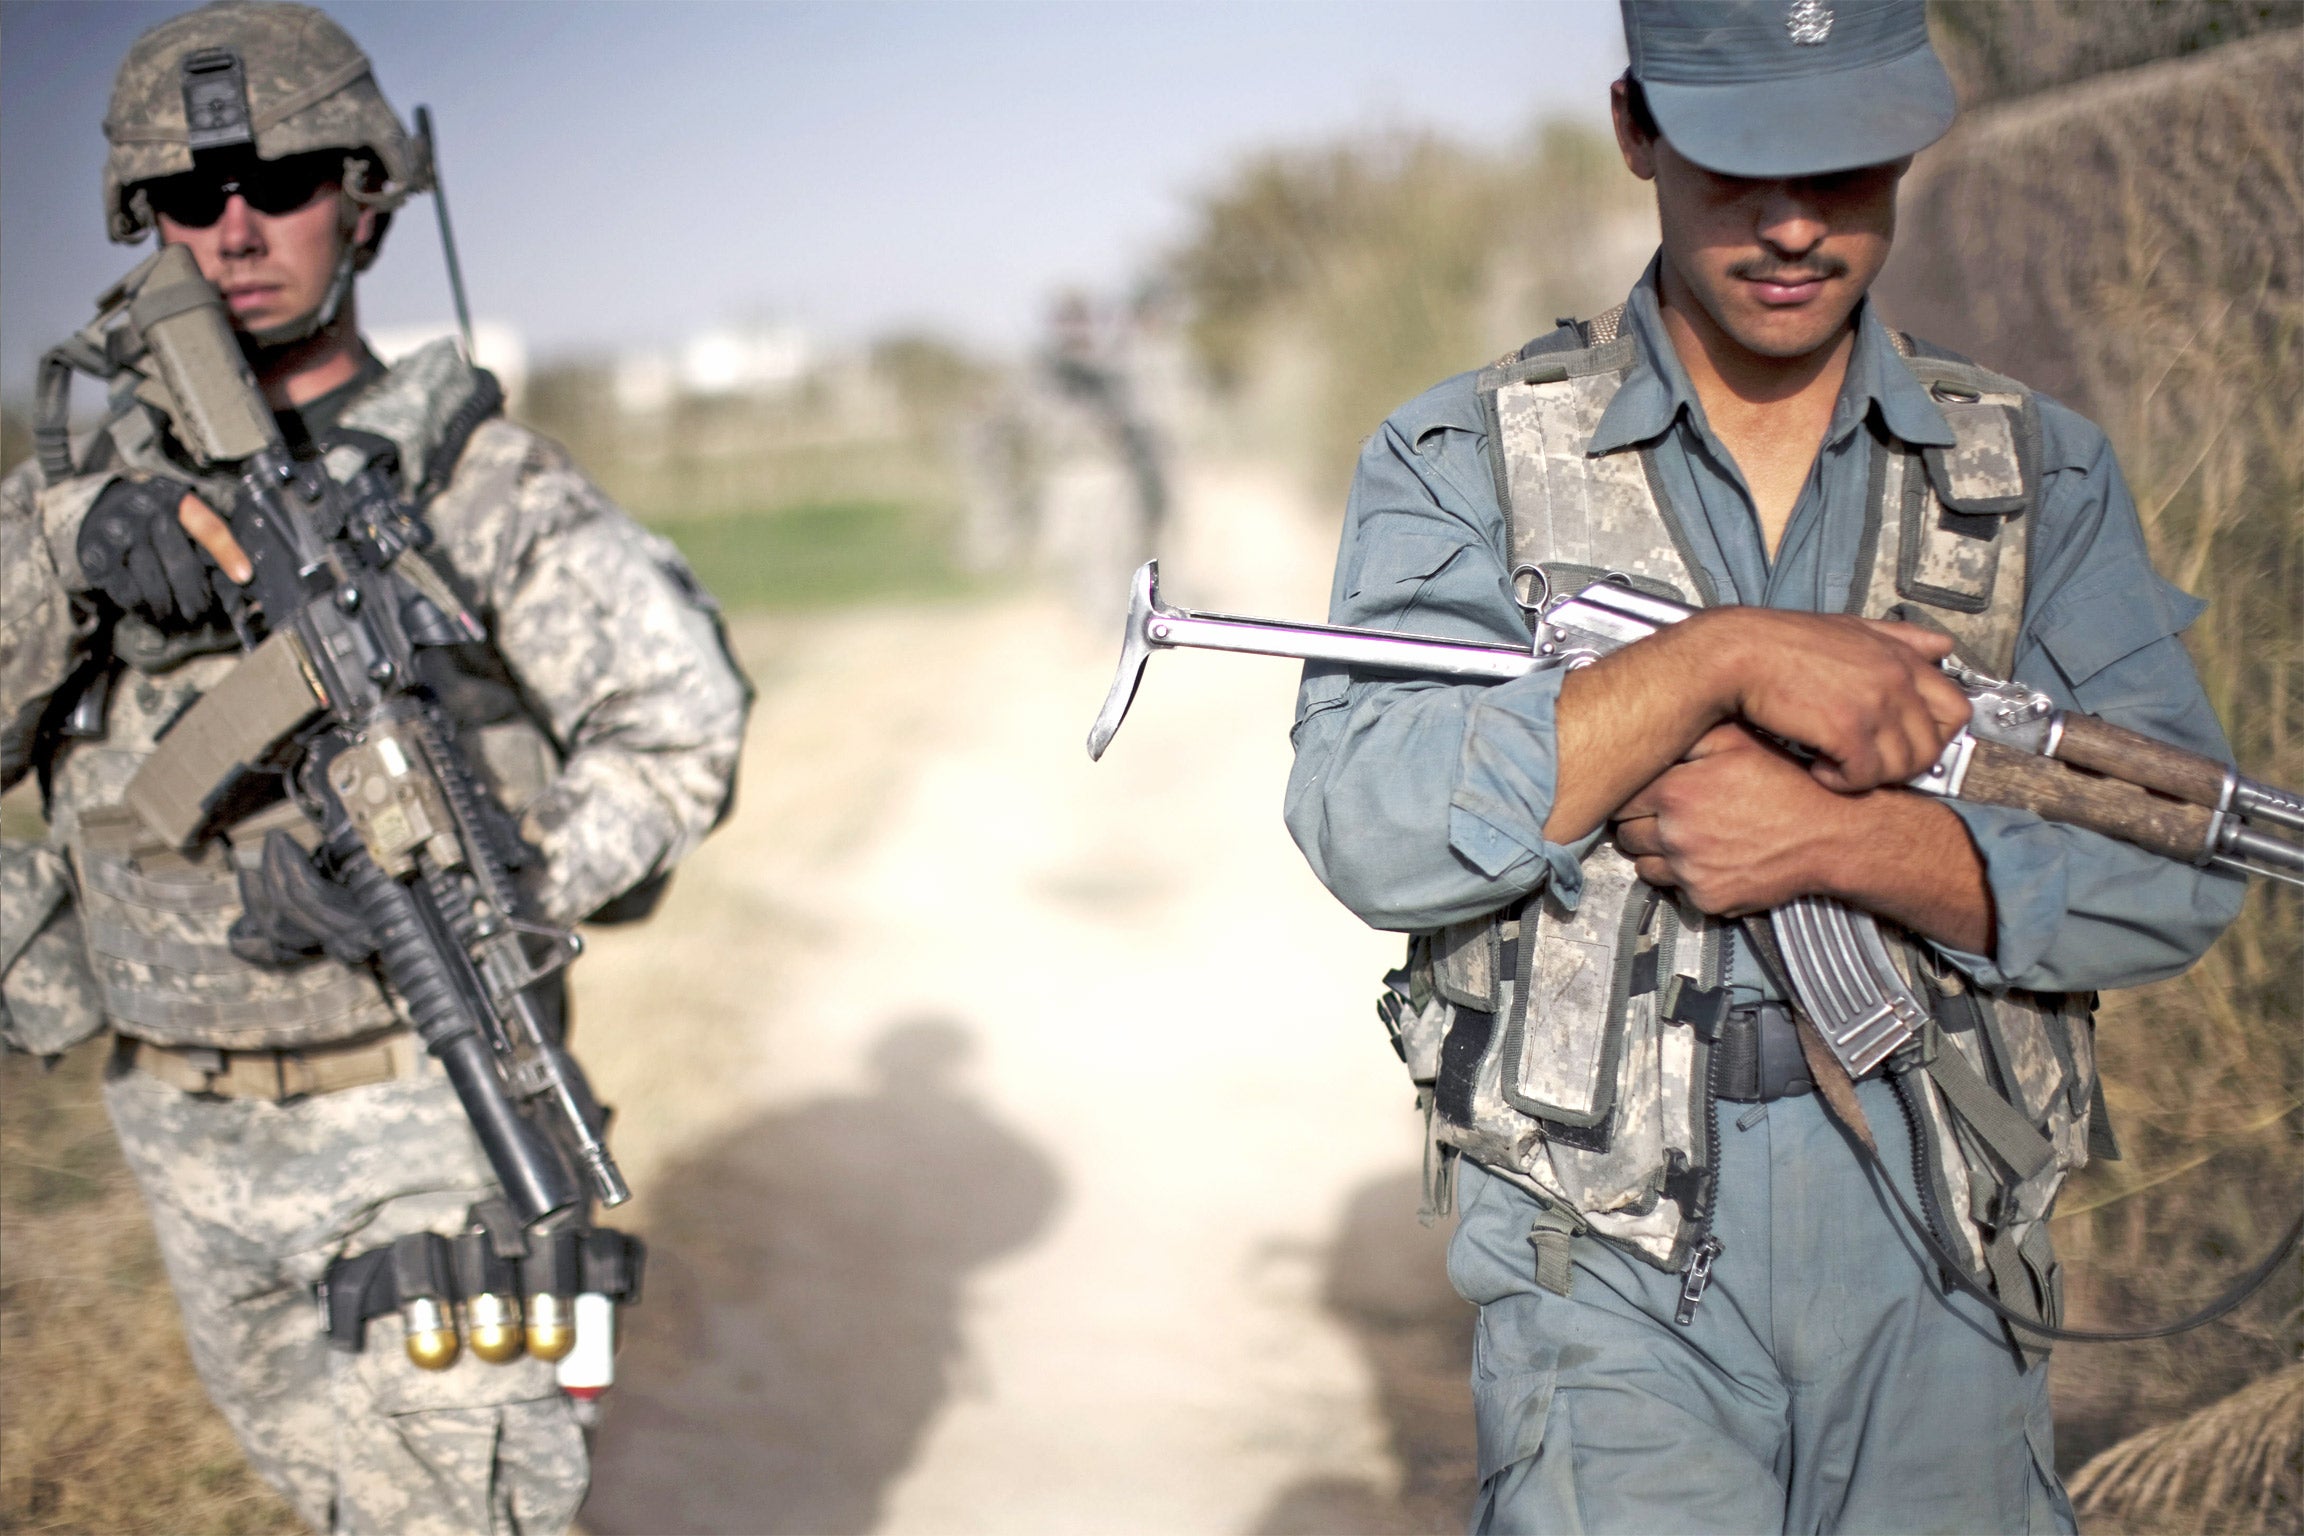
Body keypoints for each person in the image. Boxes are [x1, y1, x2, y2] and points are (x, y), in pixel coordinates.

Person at [1282, 2, 2245, 1530]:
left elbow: (2179, 861)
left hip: (1945, 1244)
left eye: (1847, 168)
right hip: (1601, 1269)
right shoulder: (1465, 459)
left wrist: (1836, 844)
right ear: (1637, 130)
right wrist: (1712, 662)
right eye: (1741, 167)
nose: (1795, 226)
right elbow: (1369, 819)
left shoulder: (2031, 473)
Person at [0, 3, 749, 1531]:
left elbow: (681, 731)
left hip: (423, 1109)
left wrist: (484, 886)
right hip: (178, 1126)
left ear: (367, 197)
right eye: (189, 198)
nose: (235, 228)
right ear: (142, 221)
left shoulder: (475, 480)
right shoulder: (78, 498)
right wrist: (74, 555)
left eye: (280, 182)